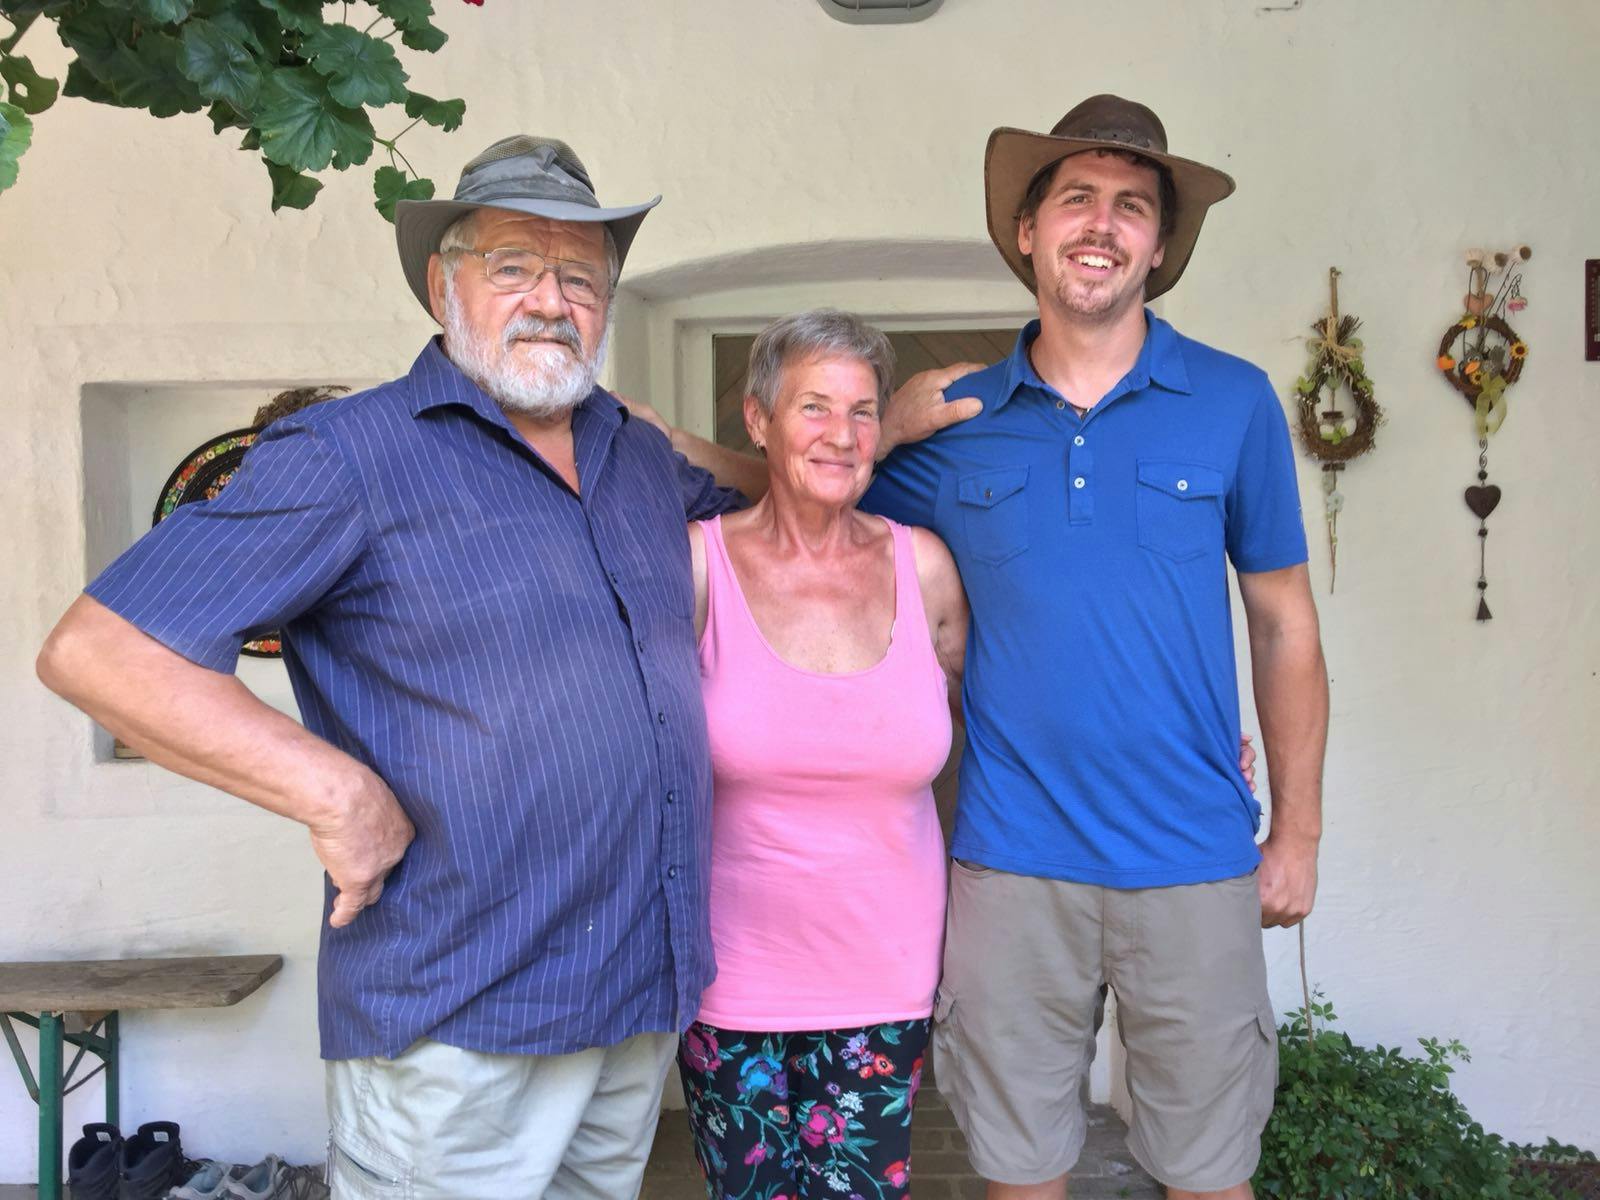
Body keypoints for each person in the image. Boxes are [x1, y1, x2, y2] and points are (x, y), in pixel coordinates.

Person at [638, 95, 1328, 1200]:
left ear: (1161, 243)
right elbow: (799, 488)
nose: (1101, 226)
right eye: (1075, 200)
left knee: (1208, 1175)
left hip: (1195, 856)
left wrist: (1295, 830)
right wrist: (874, 427)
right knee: (1020, 1173)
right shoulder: (960, 415)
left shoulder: (1234, 402)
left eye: (1132, 207)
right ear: (1026, 230)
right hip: (1009, 862)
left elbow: (1285, 622)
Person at [37, 135, 744, 1199]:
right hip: (461, 1016)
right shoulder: (347, 456)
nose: (549, 299)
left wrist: (868, 436)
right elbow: (103, 650)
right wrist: (335, 792)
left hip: (632, 996)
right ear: (440, 285)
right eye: (512, 266)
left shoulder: (636, 457)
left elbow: (780, 505)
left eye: (580, 277)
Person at [672, 310, 966, 1200]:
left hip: (885, 971)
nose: (841, 435)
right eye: (814, 407)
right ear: (758, 420)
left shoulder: (924, 570)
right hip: (733, 977)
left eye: (864, 410)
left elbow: (996, 710)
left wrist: (1205, 746)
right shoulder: (696, 567)